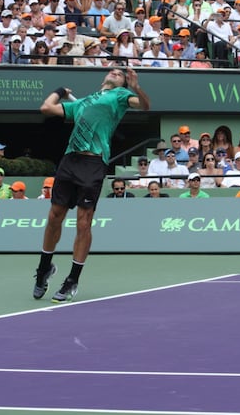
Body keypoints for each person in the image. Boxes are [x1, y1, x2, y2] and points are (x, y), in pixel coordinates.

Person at [33, 68, 150, 303]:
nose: (115, 72)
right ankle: (44, 268)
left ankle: (73, 279)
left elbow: (145, 106)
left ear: (122, 83)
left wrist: (136, 87)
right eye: (113, 71)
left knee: (83, 222)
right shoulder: (82, 102)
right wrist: (60, 91)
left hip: (94, 162)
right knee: (55, 216)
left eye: (120, 73)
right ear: (103, 78)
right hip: (70, 160)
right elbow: (46, 108)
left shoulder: (119, 96)